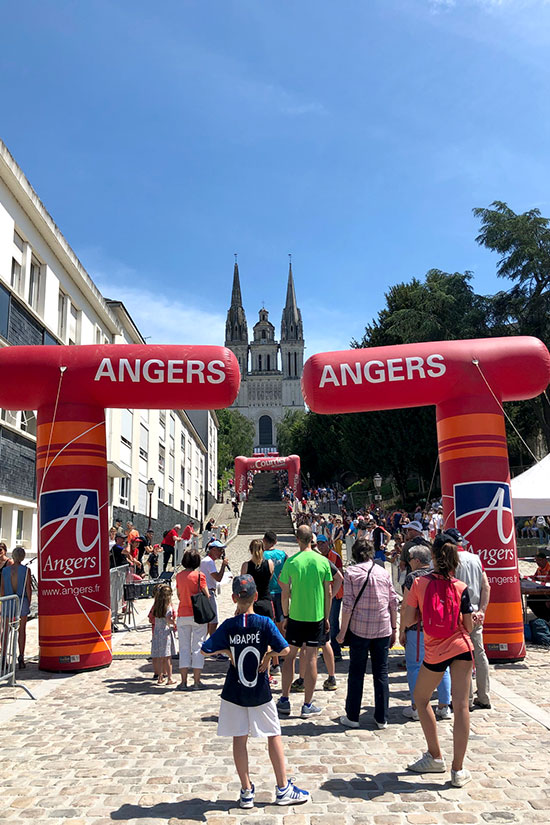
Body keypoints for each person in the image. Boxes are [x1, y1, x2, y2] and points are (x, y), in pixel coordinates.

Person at [201, 574, 309, 808]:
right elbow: (285, 651)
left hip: (234, 689)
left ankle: (246, 790)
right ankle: (282, 788)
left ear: (233, 598)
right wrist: (268, 655)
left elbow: (206, 650)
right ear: (256, 596)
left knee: (239, 738)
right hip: (259, 688)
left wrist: (229, 653)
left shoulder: (229, 625)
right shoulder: (264, 623)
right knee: (273, 734)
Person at [403, 540, 474, 787]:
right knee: (462, 707)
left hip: (435, 648)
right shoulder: (461, 587)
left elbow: (409, 618)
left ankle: (435, 755)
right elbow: (469, 626)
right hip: (461, 647)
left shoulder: (418, 583)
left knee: (421, 699)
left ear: (432, 556)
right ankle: (458, 770)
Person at [336, 539, 398, 729]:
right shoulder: (382, 572)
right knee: (381, 672)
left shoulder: (352, 573)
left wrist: (342, 632)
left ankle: (353, 716)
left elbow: (347, 605)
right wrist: (394, 628)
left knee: (356, 672)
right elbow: (393, 601)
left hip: (359, 629)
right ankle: (382, 717)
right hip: (382, 628)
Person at [276, 525, 333, 719]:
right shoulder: (322, 561)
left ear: (298, 539)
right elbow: (329, 592)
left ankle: (284, 699)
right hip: (315, 616)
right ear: (312, 540)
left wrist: (285, 615)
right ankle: (307, 704)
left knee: (290, 656)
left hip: (296, 617)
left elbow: (285, 592)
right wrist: (326, 616)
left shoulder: (291, 562)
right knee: (310, 659)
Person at [399, 545, 451, 722]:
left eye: (411, 558)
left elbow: (406, 606)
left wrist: (402, 629)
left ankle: (416, 707)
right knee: (442, 667)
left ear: (417, 560)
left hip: (417, 629)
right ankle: (444, 706)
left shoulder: (412, 578)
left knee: (415, 667)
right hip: (438, 628)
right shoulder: (439, 575)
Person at [447, 529, 492, 710]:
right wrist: (482, 610)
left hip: (457, 613)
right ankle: (484, 695)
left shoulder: (450, 560)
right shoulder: (476, 559)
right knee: (479, 654)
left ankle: (466, 698)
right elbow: (486, 586)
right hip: (475, 611)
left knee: (461, 656)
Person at [176, 548, 210, 690]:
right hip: (197, 615)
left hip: (182, 613)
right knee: (198, 646)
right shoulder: (199, 576)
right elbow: (206, 595)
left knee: (184, 648)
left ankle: (183, 681)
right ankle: (197, 681)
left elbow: (178, 594)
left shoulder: (179, 576)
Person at [0, 547, 32, 668]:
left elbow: (2, 589)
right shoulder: (26, 570)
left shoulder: (5, 571)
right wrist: (29, 602)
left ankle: (3, 657)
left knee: (5, 631)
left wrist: (2, 603)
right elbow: (28, 588)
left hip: (8, 600)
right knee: (21, 630)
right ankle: (21, 657)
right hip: (21, 599)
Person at [200, 540, 231, 636]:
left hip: (207, 591)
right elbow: (218, 577)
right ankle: (212, 644)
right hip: (209, 592)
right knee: (213, 621)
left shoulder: (207, 561)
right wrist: (223, 566)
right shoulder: (209, 562)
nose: (221, 553)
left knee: (208, 622)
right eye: (220, 550)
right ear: (213, 550)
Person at [149, 584, 177, 686]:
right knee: (167, 658)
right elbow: (169, 620)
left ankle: (160, 677)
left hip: (157, 633)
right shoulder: (168, 607)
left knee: (160, 657)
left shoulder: (156, 607)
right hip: (165, 634)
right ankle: (170, 677)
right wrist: (174, 623)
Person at [241, 539, 275, 618]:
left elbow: (242, 587)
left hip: (250, 604)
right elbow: (269, 579)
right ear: (263, 550)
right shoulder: (270, 563)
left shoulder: (246, 566)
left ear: (250, 550)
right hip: (266, 600)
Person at [525, 550, 550, 620]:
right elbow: (535, 578)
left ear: (545, 560)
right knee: (530, 599)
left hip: (548, 592)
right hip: (541, 591)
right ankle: (542, 617)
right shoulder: (538, 569)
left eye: (539, 560)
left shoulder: (549, 568)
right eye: (536, 560)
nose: (537, 562)